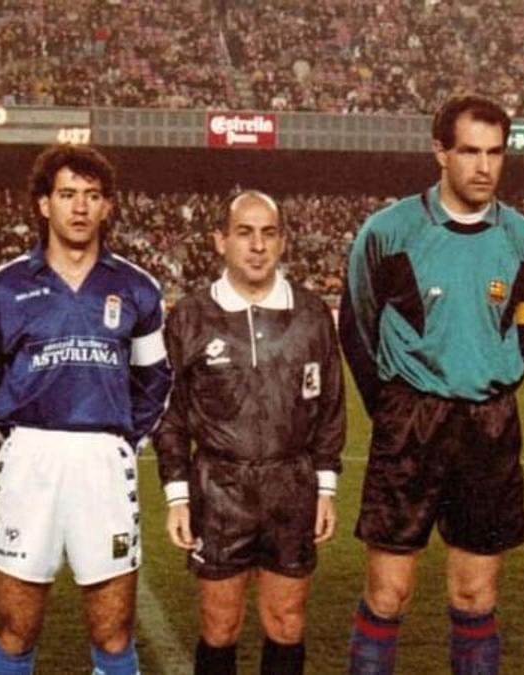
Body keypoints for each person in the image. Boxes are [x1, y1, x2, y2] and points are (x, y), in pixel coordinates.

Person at [339, 94, 524, 674]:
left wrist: (491, 377)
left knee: (476, 597)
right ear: (439, 152)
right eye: (468, 151)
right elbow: (356, 326)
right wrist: (392, 406)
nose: (483, 166)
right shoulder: (389, 232)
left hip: (489, 423)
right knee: (388, 595)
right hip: (411, 422)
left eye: (495, 153)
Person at [0, 144, 172, 675]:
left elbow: (155, 377)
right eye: (67, 194)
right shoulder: (5, 287)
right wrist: (15, 437)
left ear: (108, 206)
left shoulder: (136, 287)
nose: (80, 207)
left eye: (92, 196)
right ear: (44, 204)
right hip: (29, 459)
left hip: (103, 462)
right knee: (15, 630)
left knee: (113, 634)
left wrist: (123, 440)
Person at [154, 191, 346, 675]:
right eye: (245, 232)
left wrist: (325, 487)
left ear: (282, 241)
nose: (257, 245)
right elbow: (171, 414)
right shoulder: (191, 316)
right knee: (220, 626)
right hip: (219, 487)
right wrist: (177, 495)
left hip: (292, 485)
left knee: (286, 622)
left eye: (268, 233)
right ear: (221, 241)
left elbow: (331, 409)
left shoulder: (312, 315)